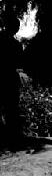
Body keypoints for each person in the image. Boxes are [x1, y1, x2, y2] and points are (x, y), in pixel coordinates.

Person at [0, 13, 23, 149]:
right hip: (10, 78)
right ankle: (11, 139)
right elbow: (20, 62)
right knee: (11, 110)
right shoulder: (16, 44)